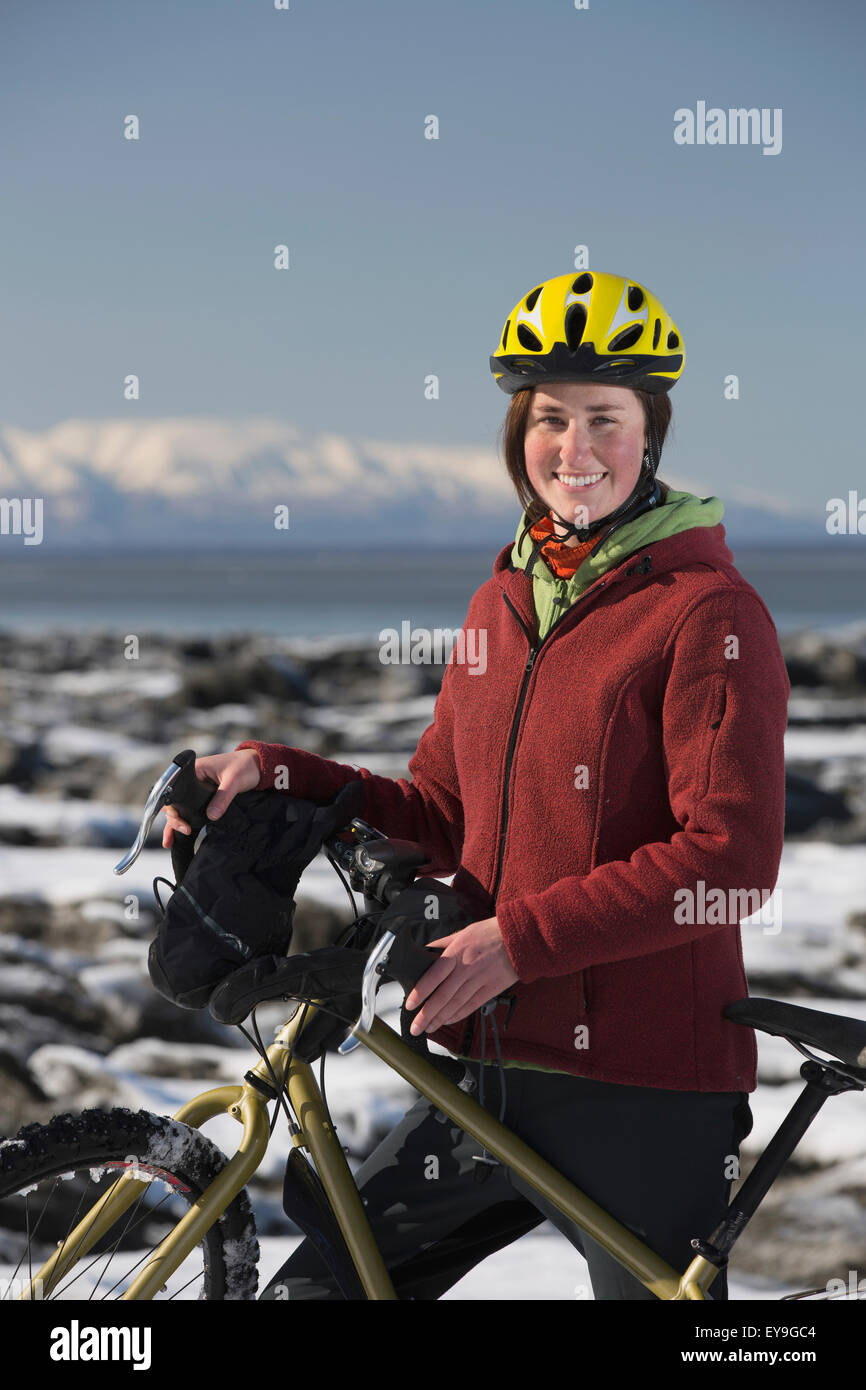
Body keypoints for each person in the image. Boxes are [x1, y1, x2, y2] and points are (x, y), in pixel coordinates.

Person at [163, 270, 790, 1300]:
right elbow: (443, 814)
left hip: (644, 1089)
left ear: (650, 434)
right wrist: (279, 769)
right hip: (481, 1067)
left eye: (604, 417)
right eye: (550, 417)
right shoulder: (502, 600)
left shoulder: (706, 612)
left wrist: (514, 941)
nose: (573, 448)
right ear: (517, 431)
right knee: (315, 1294)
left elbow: (726, 859)